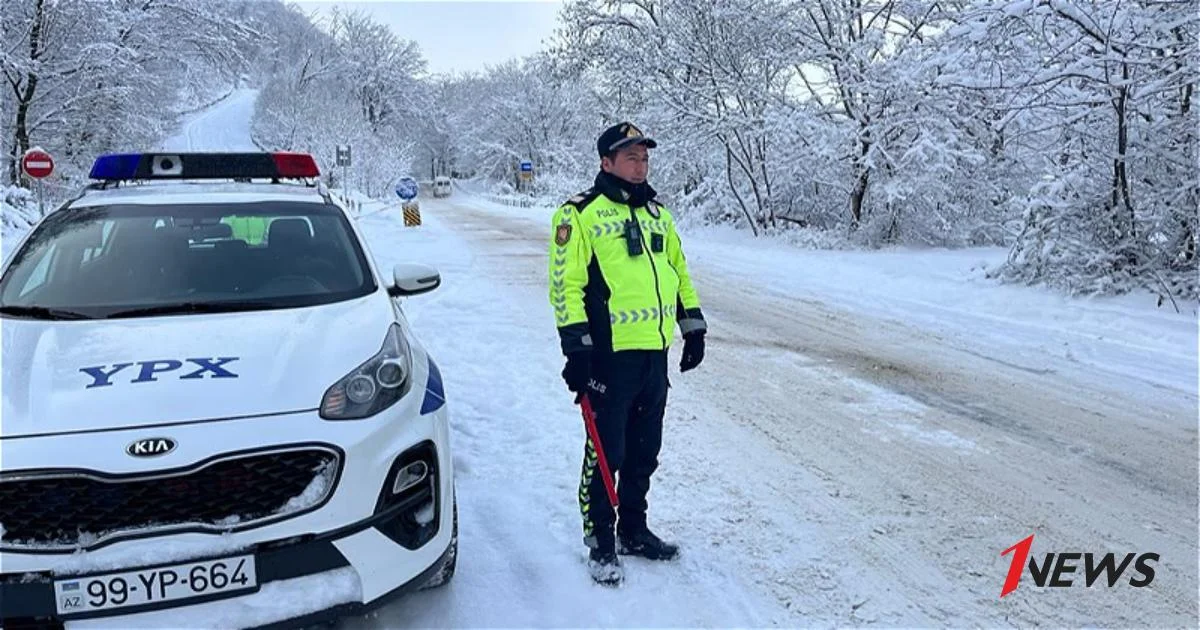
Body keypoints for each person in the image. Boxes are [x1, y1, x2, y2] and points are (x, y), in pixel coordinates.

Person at [548, 121, 707, 585]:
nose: (640, 166)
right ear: (607, 162)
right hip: (608, 360)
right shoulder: (578, 215)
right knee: (606, 451)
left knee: (644, 450)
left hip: (652, 357)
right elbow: (565, 285)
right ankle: (601, 540)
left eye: (644, 158)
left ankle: (634, 530)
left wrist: (691, 327)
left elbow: (679, 271)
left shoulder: (659, 215)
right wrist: (577, 350)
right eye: (630, 157)